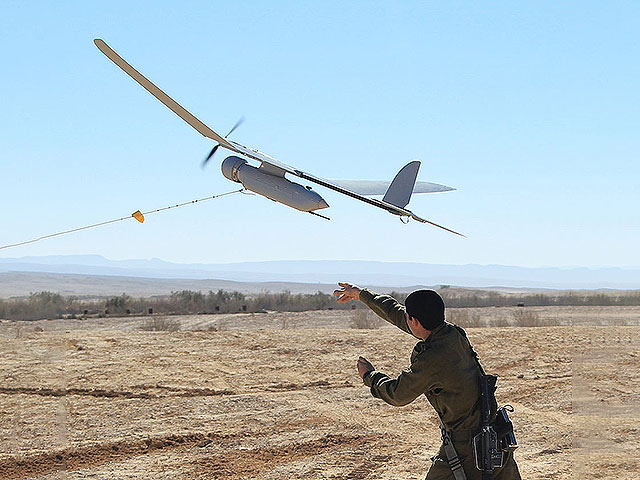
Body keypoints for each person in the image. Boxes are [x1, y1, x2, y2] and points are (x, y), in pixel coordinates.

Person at [333, 282, 521, 480]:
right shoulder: (452, 333)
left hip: (469, 446)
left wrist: (369, 376)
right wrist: (361, 295)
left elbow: (398, 394)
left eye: (408, 317)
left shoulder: (432, 359)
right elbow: (396, 313)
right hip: (494, 435)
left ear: (415, 321)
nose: (405, 319)